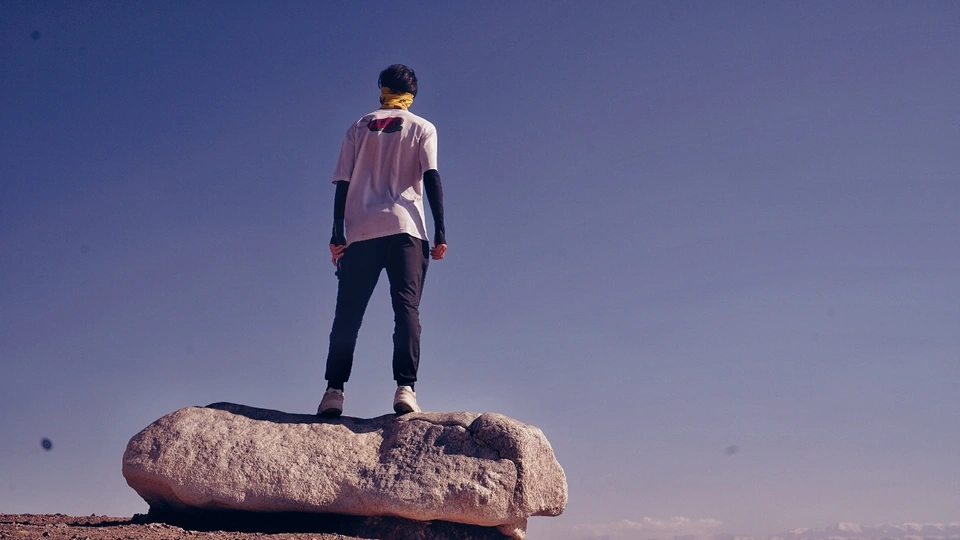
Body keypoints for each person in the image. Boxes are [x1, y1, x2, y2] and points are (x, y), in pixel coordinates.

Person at [318, 64, 447, 418]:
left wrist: (337, 232)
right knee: (406, 309)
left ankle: (333, 392)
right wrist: (440, 231)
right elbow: (431, 177)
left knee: (348, 314)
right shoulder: (423, 127)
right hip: (407, 229)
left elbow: (342, 182)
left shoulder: (358, 127)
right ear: (412, 94)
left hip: (361, 230)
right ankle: (405, 388)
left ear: (381, 89)